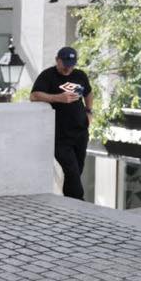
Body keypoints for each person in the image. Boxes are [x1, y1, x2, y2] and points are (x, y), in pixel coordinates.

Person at [30, 46, 93, 200]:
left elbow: (89, 93)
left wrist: (89, 111)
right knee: (71, 170)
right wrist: (58, 98)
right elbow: (34, 96)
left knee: (77, 170)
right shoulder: (48, 76)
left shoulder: (80, 75)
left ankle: (69, 202)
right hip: (60, 135)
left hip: (80, 132)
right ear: (57, 60)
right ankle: (79, 202)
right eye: (65, 64)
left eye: (71, 65)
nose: (68, 68)